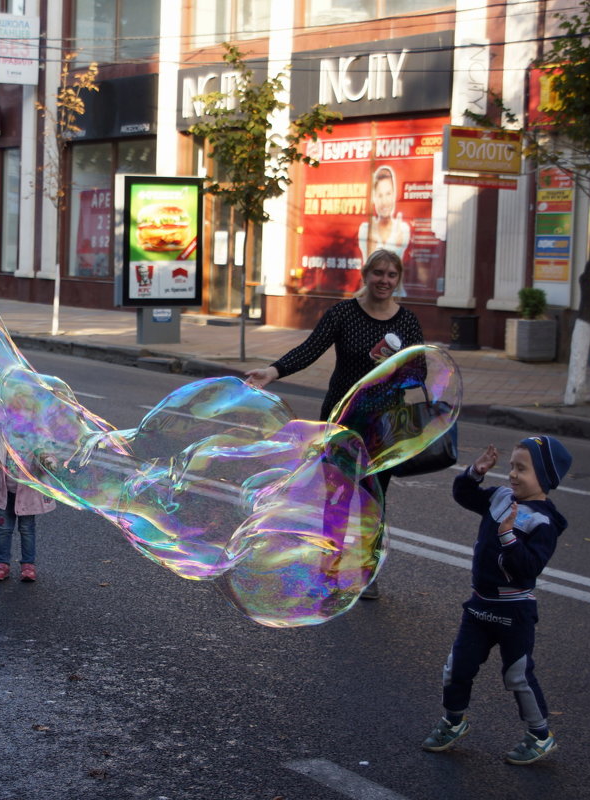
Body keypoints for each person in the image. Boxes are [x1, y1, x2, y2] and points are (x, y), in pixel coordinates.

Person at [245, 249, 423, 598]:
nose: (384, 281)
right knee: (338, 495)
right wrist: (273, 370)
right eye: (378, 273)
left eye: (391, 275)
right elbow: (310, 349)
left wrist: (394, 366)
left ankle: (367, 572)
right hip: (342, 417)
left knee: (375, 498)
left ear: (398, 279)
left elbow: (419, 372)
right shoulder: (344, 313)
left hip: (384, 423)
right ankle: (331, 567)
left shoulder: (407, 322)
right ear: (365, 274)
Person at [421, 435, 572, 766]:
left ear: (545, 477)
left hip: (514, 610)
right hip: (479, 606)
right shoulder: (502, 497)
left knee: (517, 675)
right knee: (456, 667)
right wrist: (475, 472)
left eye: (523, 469)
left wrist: (506, 536)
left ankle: (539, 735)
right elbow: (464, 495)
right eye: (511, 467)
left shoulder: (542, 522)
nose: (513, 475)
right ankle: (453, 720)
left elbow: (528, 567)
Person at [0, 441, 56, 582]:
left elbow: (49, 459)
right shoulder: (1, 437)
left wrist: (48, 463)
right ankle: (2, 564)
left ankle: (28, 565)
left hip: (28, 496)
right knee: (4, 529)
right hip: (6, 493)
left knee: (27, 530)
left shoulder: (36, 438)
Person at [357, 165, 411, 265]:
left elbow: (396, 268)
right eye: (380, 195)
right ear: (374, 198)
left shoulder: (403, 229)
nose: (384, 202)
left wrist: (399, 247)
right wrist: (371, 245)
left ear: (394, 194)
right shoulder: (365, 229)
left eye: (388, 194)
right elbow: (368, 267)